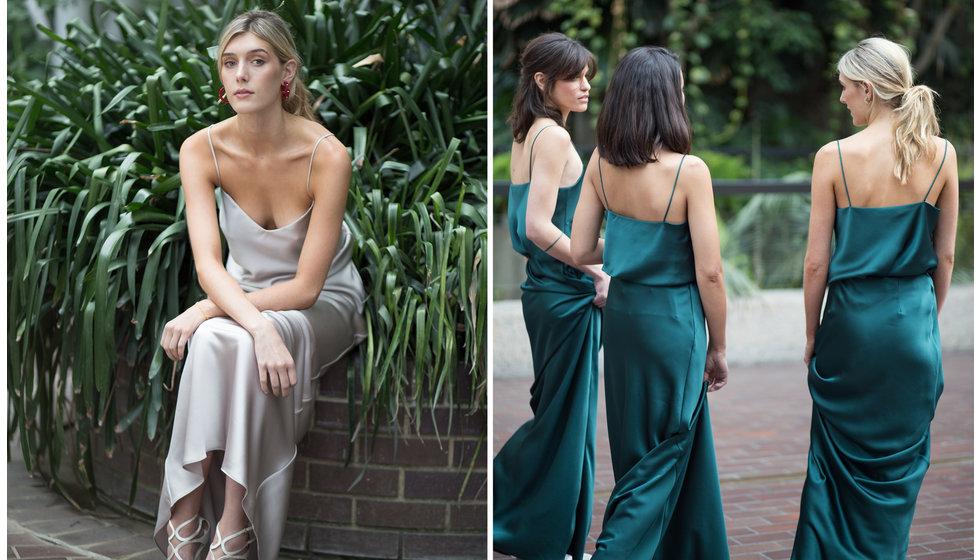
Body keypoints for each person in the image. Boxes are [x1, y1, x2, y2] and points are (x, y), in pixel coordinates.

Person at [153, 10, 367, 560]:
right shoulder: (201, 149)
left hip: (323, 301)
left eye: (258, 61)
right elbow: (209, 265)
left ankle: (232, 523)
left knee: (229, 333)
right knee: (221, 339)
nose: (242, 75)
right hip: (243, 295)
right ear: (221, 78)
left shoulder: (327, 155)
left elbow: (306, 289)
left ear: (285, 72)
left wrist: (211, 311)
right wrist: (240, 318)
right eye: (231, 63)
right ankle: (187, 519)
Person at [793, 37, 957, 559]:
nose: (842, 100)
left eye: (845, 89)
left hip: (850, 330)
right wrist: (924, 323)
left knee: (833, 472)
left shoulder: (833, 157)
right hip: (913, 326)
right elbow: (946, 259)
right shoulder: (944, 154)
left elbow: (817, 262)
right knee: (897, 478)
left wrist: (812, 334)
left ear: (866, 88)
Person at [570, 46, 730, 559]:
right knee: (667, 449)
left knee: (640, 449)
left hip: (624, 322)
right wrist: (718, 345)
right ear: (668, 98)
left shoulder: (600, 162)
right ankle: (613, 552)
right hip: (674, 324)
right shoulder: (689, 171)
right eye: (680, 88)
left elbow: (579, 249)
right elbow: (710, 270)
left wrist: (628, 248)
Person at [492, 32, 609, 560]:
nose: (586, 85)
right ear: (543, 82)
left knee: (563, 418)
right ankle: (522, 521)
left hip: (545, 291)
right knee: (567, 423)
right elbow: (540, 227)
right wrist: (597, 271)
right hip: (565, 295)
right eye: (574, 77)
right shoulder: (554, 138)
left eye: (587, 75)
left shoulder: (528, 134)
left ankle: (550, 534)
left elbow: (533, 228)